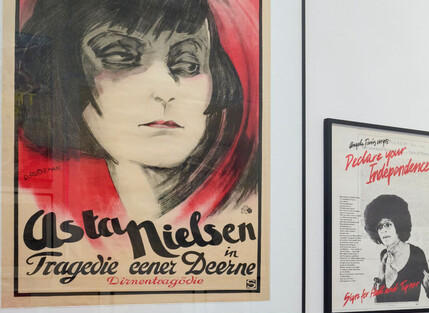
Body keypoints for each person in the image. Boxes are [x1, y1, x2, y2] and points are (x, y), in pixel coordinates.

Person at [15, 0, 259, 221]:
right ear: (61, 69)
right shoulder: (37, 197)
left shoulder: (246, 198)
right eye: (120, 56)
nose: (165, 89)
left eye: (187, 62)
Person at [363, 195, 429, 303]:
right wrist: (378, 283)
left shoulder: (416, 253)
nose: (383, 230)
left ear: (398, 225)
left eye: (388, 225)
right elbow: (378, 300)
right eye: (380, 227)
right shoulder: (383, 255)